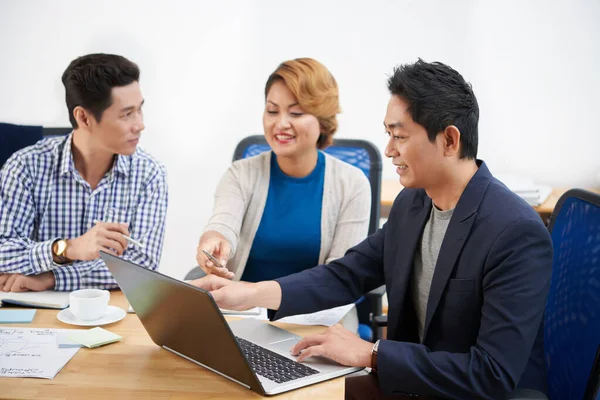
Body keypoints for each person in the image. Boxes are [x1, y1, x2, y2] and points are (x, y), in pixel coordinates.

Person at [191, 59, 553, 399]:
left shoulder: (515, 233)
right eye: (388, 134)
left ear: (449, 140)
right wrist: (248, 294)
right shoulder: (413, 204)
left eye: (400, 136)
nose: (389, 150)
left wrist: (373, 353)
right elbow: (345, 275)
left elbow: (492, 374)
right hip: (413, 383)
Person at [0, 53, 168, 292]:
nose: (140, 124)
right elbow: (3, 250)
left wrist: (51, 278)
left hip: (109, 311)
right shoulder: (25, 167)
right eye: (126, 114)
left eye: (140, 110)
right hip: (37, 311)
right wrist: (68, 248)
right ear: (84, 118)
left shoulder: (149, 174)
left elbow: (141, 267)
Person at [195, 58, 371, 285]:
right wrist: (213, 241)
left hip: (318, 311)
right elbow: (223, 224)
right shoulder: (240, 174)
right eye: (272, 111)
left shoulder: (352, 184)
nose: (280, 123)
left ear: (323, 120)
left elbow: (341, 276)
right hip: (242, 308)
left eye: (296, 113)